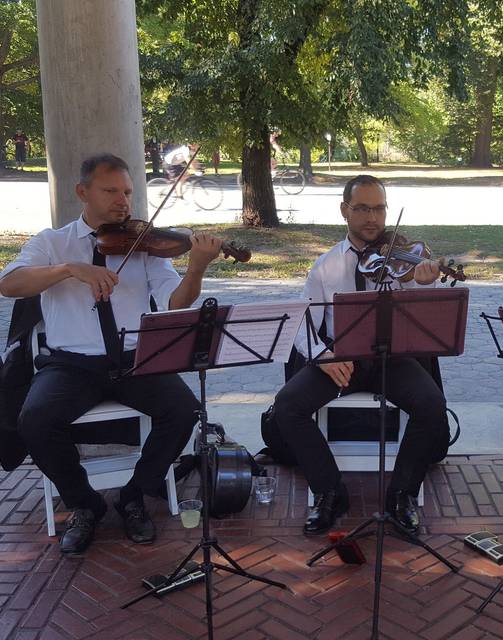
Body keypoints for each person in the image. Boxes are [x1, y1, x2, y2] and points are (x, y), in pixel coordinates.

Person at [0, 154, 223, 555]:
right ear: (82, 192)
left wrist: (197, 268)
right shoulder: (53, 243)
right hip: (71, 364)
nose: (123, 201)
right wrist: (70, 269)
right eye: (111, 191)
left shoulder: (143, 245)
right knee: (33, 419)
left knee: (185, 410)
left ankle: (134, 496)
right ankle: (84, 504)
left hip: (135, 358)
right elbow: (10, 283)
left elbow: (176, 304)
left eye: (128, 192)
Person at [272, 175, 450, 536]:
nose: (373, 218)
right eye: (363, 209)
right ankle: (329, 491)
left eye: (380, 209)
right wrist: (324, 356)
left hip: (393, 359)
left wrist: (423, 283)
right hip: (344, 360)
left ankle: (402, 494)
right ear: (344, 211)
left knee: (432, 404)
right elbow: (304, 324)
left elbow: (423, 322)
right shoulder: (325, 266)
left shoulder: (405, 263)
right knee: (287, 406)